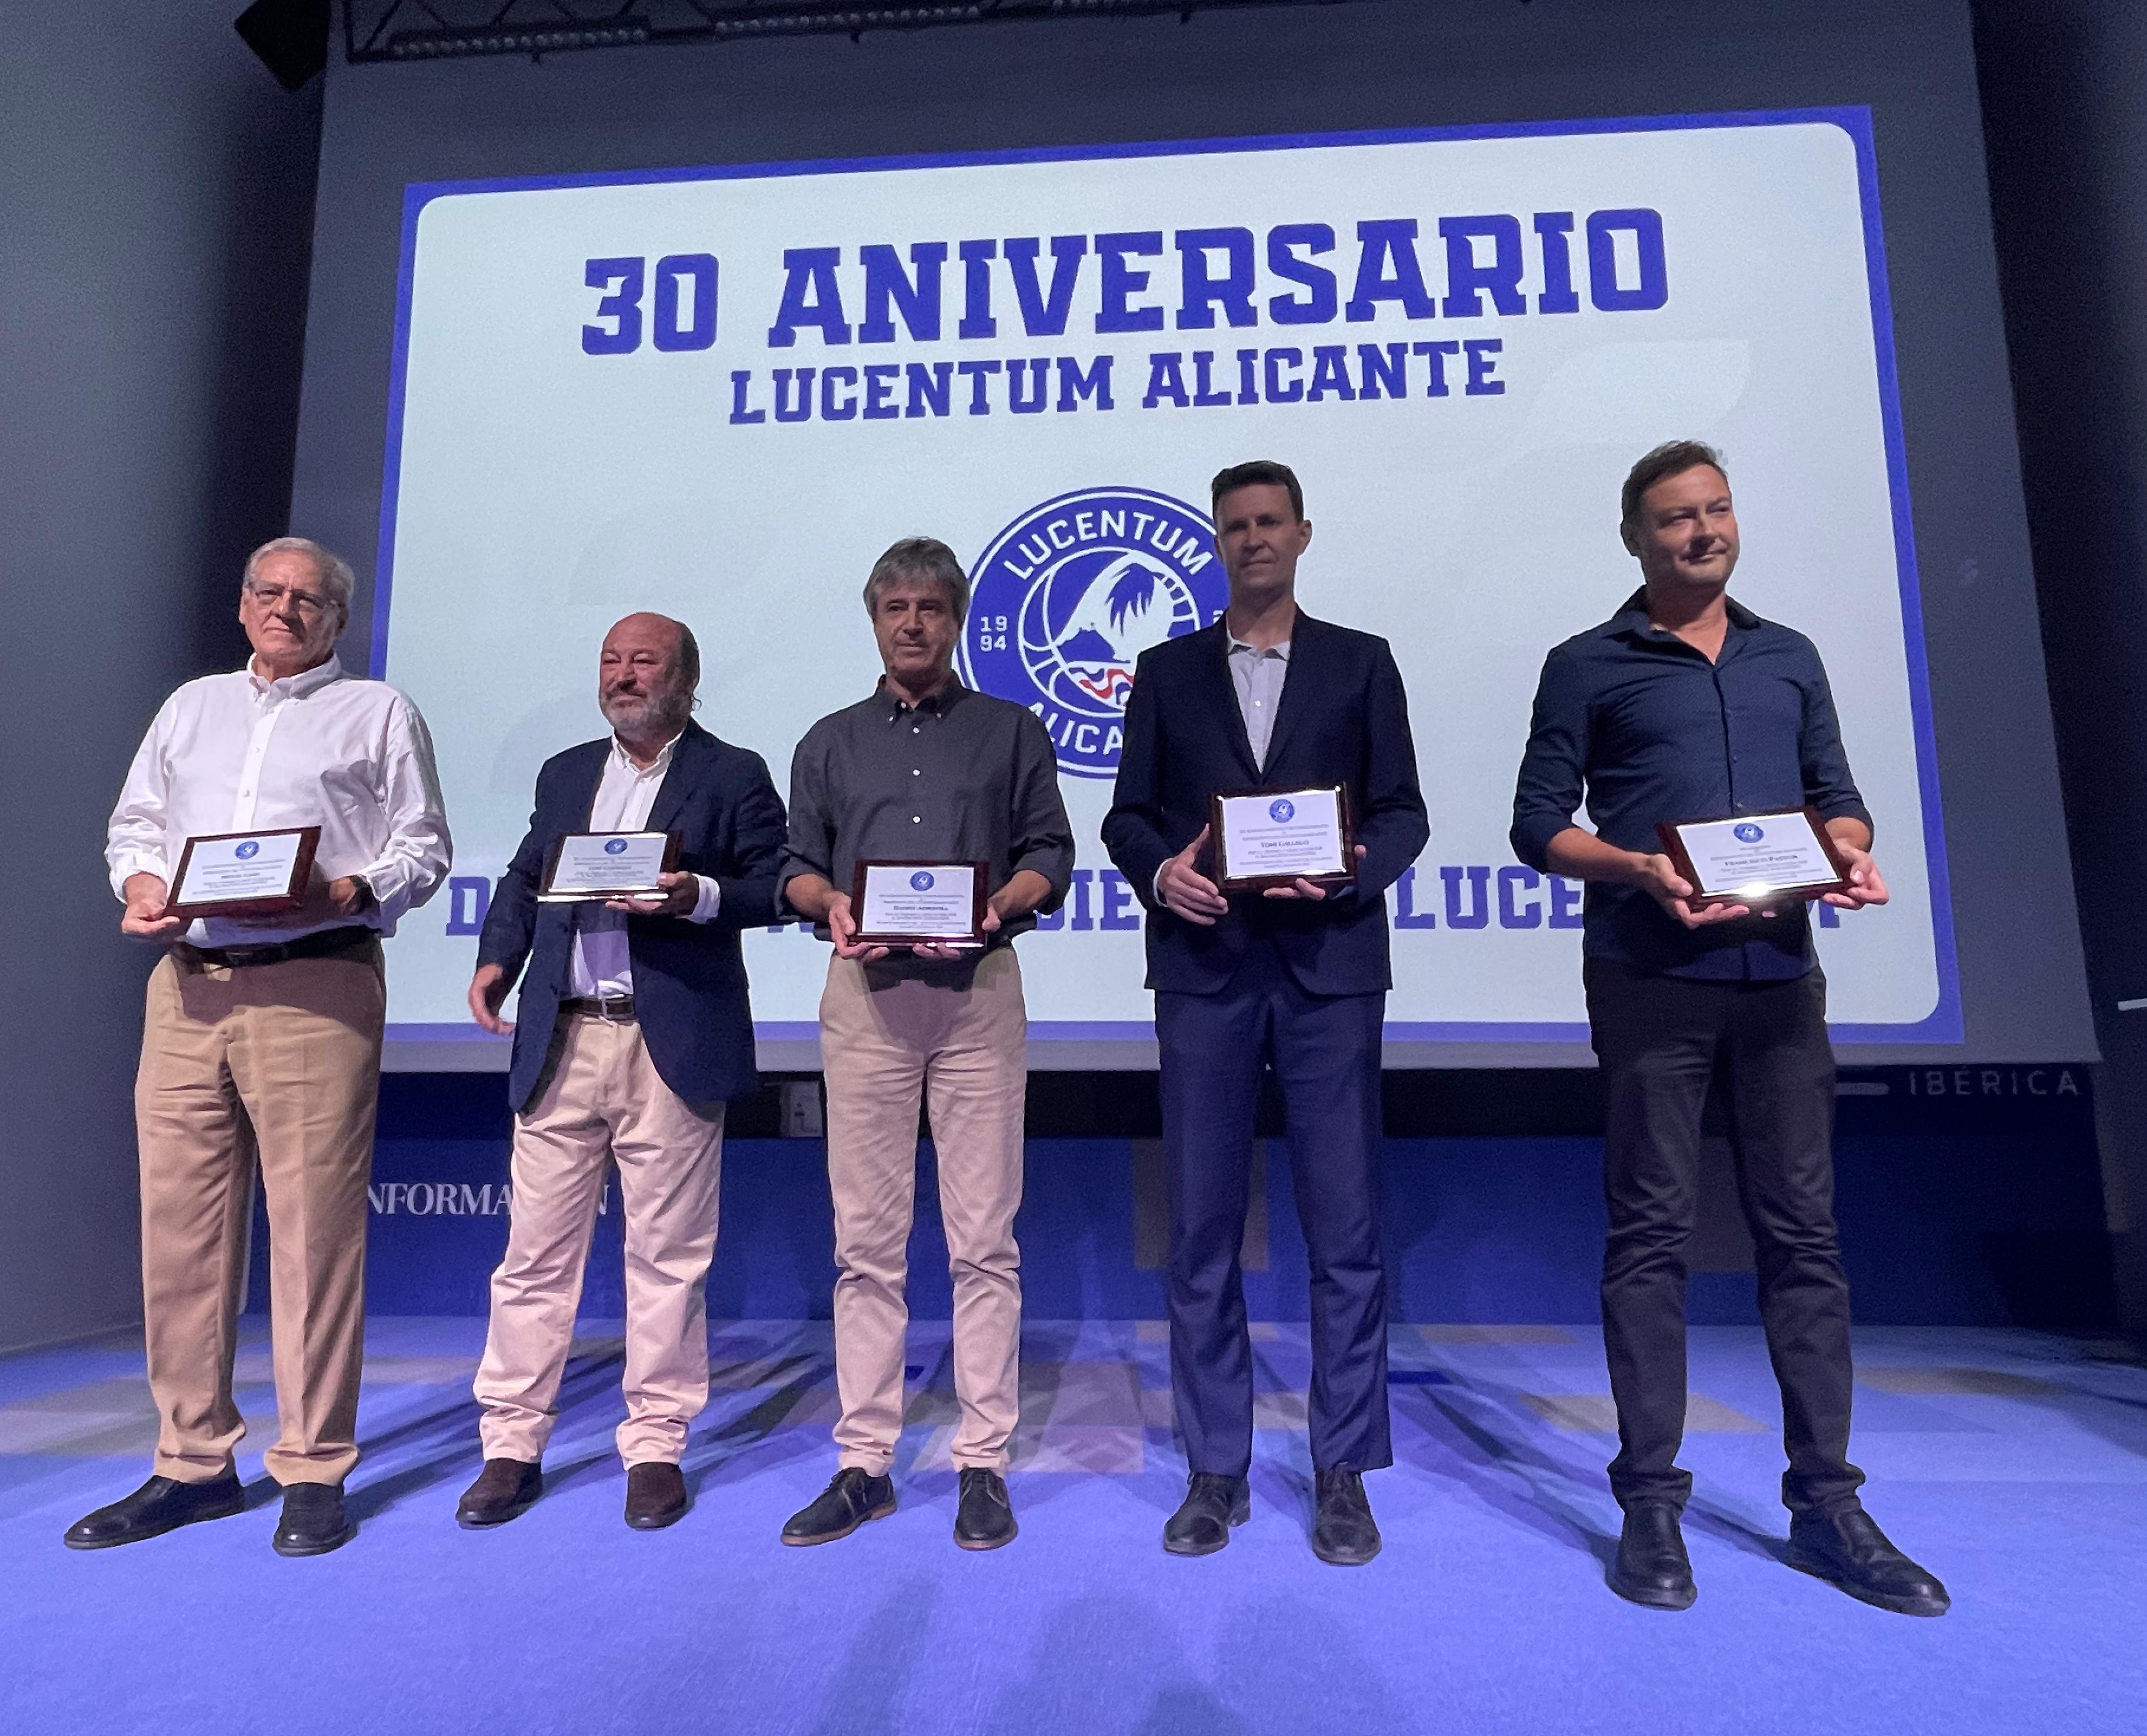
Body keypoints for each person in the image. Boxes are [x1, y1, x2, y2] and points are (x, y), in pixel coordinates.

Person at [1510, 439, 1948, 1616]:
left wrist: (1847, 853)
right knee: (1650, 1236)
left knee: (1804, 1237)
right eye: (1676, 517)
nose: (1704, 530)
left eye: (1716, 509)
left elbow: (1838, 797)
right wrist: (1639, 869)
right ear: (1636, 539)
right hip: (1649, 977)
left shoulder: (1788, 655)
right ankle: (1650, 1503)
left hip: (1780, 979)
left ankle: (1827, 1505)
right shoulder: (1585, 664)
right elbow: (1537, 825)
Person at [73, 537, 449, 1558]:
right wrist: (140, 885)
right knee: (179, 1235)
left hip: (317, 981)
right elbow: (136, 825)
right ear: (244, 606)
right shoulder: (191, 706)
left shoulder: (377, 711)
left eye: (308, 598)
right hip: (187, 986)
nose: (286, 609)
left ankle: (314, 1466)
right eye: (268, 593)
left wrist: (349, 889)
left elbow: (423, 848)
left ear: (339, 618)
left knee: (315, 1237)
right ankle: (193, 1464)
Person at [1103, 461, 1430, 1565]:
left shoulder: (1361, 661)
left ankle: (1343, 1471)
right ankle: (1216, 1470)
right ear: (1217, 541)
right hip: (1206, 971)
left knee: (1346, 1230)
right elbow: (1127, 817)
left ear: (1302, 534)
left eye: (1269, 523)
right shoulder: (1166, 670)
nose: (1253, 540)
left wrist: (1348, 870)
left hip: (1331, 969)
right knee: (1200, 1229)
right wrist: (1163, 875)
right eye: (1235, 526)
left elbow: (1404, 813)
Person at [456, 613, 786, 1532]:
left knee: (668, 1259)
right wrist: (496, 960)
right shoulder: (566, 772)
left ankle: (655, 1446)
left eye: (644, 661)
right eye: (611, 660)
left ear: (686, 679)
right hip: (561, 1036)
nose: (624, 675)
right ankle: (511, 1445)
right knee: (533, 1258)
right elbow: (526, 878)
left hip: (666, 1041)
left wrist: (696, 895)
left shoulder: (733, 774)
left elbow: (778, 884)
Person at [777, 538, 1073, 1551]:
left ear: (956, 621)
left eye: (931, 608)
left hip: (977, 993)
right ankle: (865, 1463)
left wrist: (1002, 902)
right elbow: (796, 865)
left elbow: (1051, 852)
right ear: (874, 621)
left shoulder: (1011, 730)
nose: (913, 623)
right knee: (866, 1244)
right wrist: (829, 903)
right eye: (896, 607)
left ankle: (982, 1460)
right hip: (865, 998)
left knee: (984, 1240)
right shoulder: (828, 741)